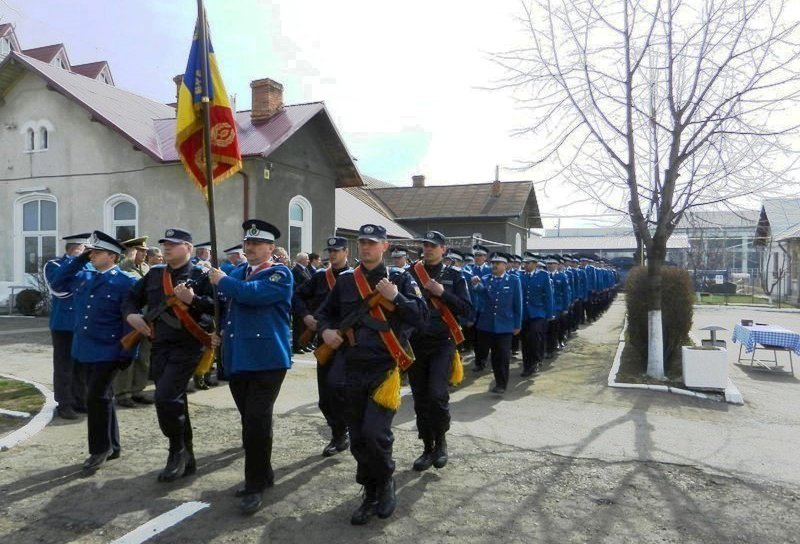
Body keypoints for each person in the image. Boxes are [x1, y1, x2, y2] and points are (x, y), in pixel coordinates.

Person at [316, 224, 427, 525]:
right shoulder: (345, 281)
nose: (365, 247)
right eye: (362, 242)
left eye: (372, 243)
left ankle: (386, 481)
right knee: (357, 439)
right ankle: (369, 490)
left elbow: (421, 317)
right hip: (352, 367)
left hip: (383, 369)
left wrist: (397, 298)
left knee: (375, 434)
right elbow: (325, 313)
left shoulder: (401, 279)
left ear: (385, 247)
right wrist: (325, 331)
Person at [209, 219, 293, 515]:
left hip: (267, 359)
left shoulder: (280, 274)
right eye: (248, 243)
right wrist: (219, 331)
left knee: (256, 420)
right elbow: (228, 304)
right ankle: (264, 473)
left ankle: (254, 484)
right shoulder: (238, 271)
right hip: (239, 357)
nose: (250, 248)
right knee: (252, 420)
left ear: (271, 248)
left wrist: (223, 281)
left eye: (257, 244)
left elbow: (252, 294)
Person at [122, 228, 216, 483]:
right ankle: (188, 454)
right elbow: (130, 297)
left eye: (173, 244)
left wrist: (193, 299)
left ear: (187, 246)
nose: (166, 248)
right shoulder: (154, 274)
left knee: (164, 397)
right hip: (159, 345)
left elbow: (217, 308)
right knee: (175, 400)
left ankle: (176, 450)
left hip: (188, 345)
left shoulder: (201, 274)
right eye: (164, 244)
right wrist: (131, 315)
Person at [50, 231, 137, 472]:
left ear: (112, 256)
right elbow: (57, 283)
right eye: (92, 251)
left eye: (97, 252)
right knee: (103, 396)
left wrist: (127, 353)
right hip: (85, 348)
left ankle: (99, 449)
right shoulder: (84, 276)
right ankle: (113, 445)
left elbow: (131, 322)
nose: (92, 255)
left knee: (95, 397)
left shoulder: (125, 282)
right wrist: (79, 259)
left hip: (110, 349)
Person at [407, 231, 471, 472]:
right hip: (416, 343)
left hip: (442, 342)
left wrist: (442, 293)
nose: (428, 249)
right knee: (420, 398)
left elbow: (466, 308)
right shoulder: (410, 274)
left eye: (433, 246)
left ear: (443, 249)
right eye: (425, 245)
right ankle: (427, 447)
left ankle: (441, 442)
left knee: (437, 395)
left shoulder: (455, 276)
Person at [292, 236, 352, 457]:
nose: (333, 254)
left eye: (337, 250)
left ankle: (343, 432)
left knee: (341, 389)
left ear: (346, 252)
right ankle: (339, 432)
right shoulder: (319, 277)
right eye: (330, 250)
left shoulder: (355, 277)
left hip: (348, 343)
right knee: (326, 397)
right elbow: (296, 296)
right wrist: (306, 316)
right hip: (324, 340)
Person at [43, 233, 91, 420]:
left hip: (83, 323)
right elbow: (59, 289)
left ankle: (80, 400)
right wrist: (76, 261)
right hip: (64, 324)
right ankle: (64, 403)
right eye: (86, 249)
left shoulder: (88, 266)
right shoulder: (54, 265)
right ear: (76, 248)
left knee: (81, 365)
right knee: (64, 366)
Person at [472, 252, 522, 394]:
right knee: (494, 355)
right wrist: (476, 287)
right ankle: (498, 380)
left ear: (505, 265)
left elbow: (517, 304)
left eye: (497, 263)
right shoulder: (486, 279)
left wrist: (517, 324)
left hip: (505, 324)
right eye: (492, 263)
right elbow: (481, 299)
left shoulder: (513, 280)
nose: (494, 265)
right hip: (488, 324)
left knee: (503, 355)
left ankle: (501, 383)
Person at [115, 236, 152, 408]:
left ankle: (138, 389)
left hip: (147, 317)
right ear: (132, 252)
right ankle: (123, 393)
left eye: (145, 251)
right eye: (141, 251)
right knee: (128, 357)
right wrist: (126, 259)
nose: (144, 254)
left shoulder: (145, 267)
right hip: (129, 319)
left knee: (144, 357)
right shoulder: (122, 267)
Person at [520, 253, 554, 376]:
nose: (525, 265)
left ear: (535, 264)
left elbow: (548, 296)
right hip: (524, 314)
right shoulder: (520, 275)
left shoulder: (544, 276)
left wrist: (549, 314)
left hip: (538, 313)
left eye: (528, 263)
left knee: (534, 337)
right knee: (525, 340)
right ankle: (527, 365)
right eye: (524, 263)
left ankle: (534, 362)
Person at [291, 252, 313, 354]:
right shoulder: (296, 270)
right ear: (301, 260)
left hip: (306, 302)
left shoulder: (305, 269)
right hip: (299, 302)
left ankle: (304, 344)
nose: (308, 261)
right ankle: (297, 346)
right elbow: (296, 287)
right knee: (298, 326)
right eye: (306, 259)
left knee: (304, 326)